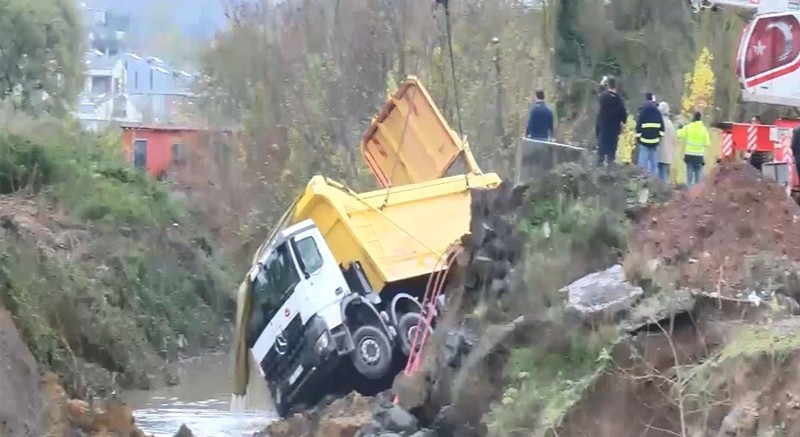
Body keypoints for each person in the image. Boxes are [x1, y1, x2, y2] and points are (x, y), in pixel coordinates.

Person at [595, 76, 628, 167]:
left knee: (601, 152)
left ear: (608, 85)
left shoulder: (604, 97)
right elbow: (624, 116)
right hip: (614, 130)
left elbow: (599, 93)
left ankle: (599, 171)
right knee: (611, 154)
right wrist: (622, 123)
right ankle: (610, 172)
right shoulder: (619, 100)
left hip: (603, 128)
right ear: (616, 86)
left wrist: (602, 83)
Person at [677, 111, 711, 187]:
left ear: (693, 117)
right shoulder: (703, 130)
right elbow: (707, 143)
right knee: (698, 178)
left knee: (689, 177)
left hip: (689, 155)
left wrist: (679, 127)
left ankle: (688, 193)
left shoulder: (688, 127)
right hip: (699, 156)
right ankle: (697, 194)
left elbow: (678, 134)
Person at [635, 92, 664, 176]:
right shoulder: (657, 111)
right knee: (654, 164)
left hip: (644, 140)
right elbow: (662, 128)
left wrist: (638, 138)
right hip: (655, 141)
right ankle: (654, 182)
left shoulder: (642, 110)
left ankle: (641, 179)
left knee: (642, 163)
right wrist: (659, 138)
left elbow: (638, 127)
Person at [657, 101, 677, 182]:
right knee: (665, 175)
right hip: (667, 154)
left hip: (658, 152)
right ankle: (665, 192)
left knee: (656, 175)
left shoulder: (657, 122)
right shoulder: (670, 124)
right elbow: (674, 139)